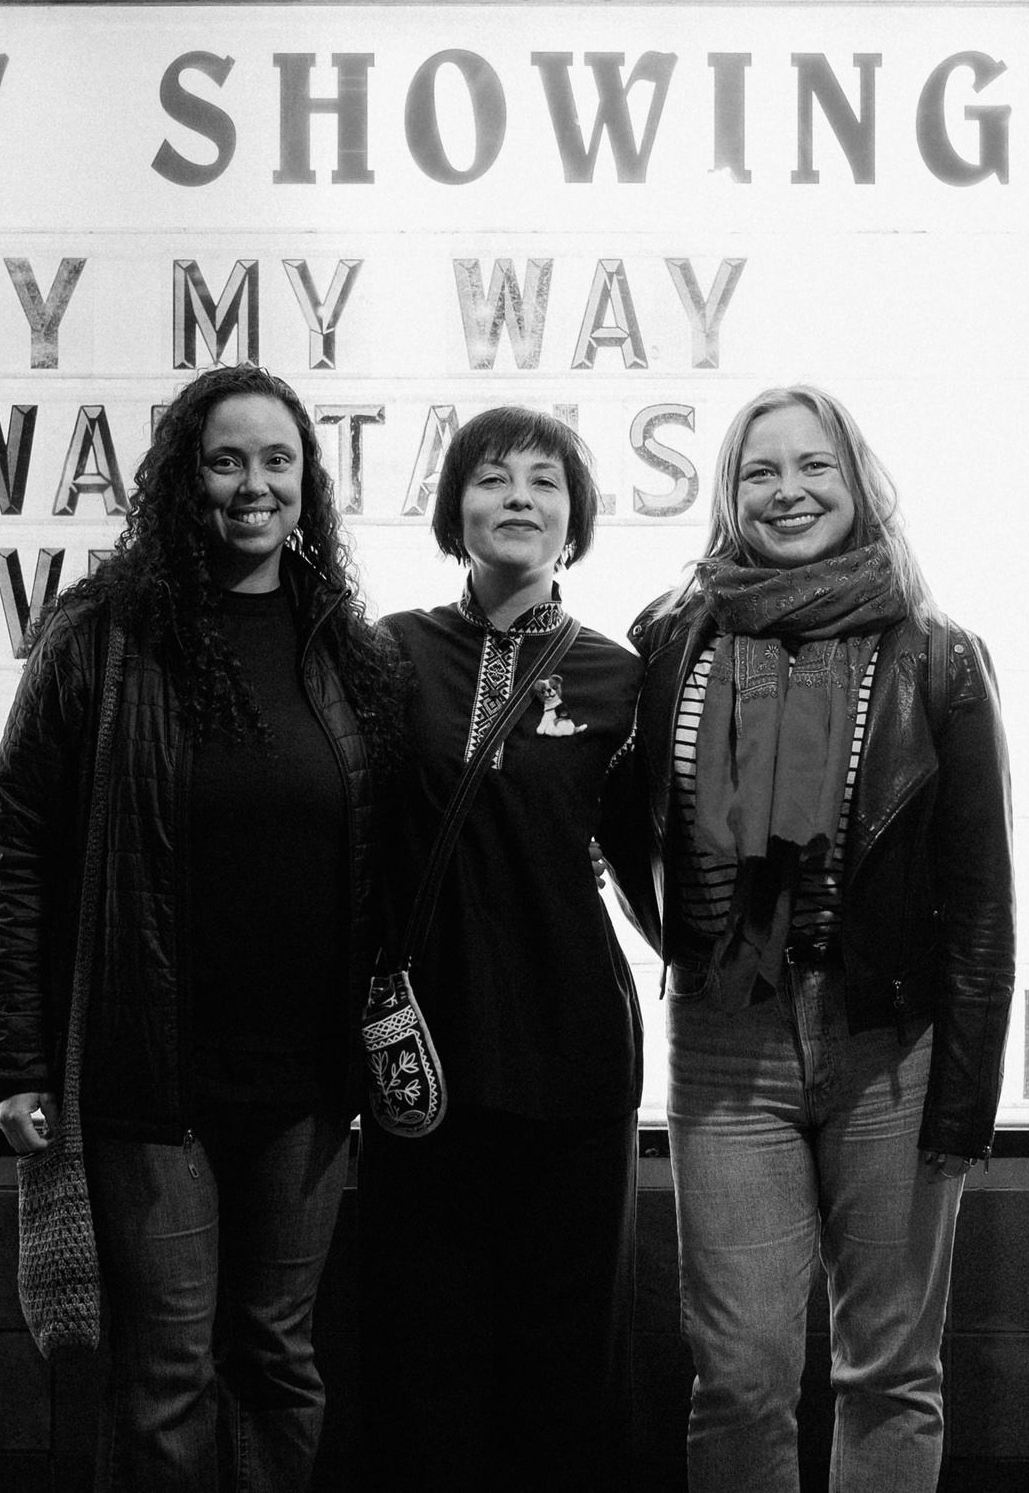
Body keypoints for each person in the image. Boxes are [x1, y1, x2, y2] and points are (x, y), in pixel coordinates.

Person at [0, 364, 408, 1492]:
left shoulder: (345, 649)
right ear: (183, 480)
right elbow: (18, 849)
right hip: (148, 1076)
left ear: (308, 483)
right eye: (226, 460)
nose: (254, 485)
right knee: (165, 1375)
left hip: (306, 1083)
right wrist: (14, 1056)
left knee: (278, 1359)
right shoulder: (103, 638)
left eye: (278, 460)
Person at [628, 384, 1014, 1492]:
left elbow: (981, 899)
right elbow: (627, 822)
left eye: (813, 468)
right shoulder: (671, 641)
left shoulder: (938, 657)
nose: (787, 491)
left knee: (889, 1370)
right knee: (739, 1374)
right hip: (726, 1042)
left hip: (890, 1047)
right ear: (727, 494)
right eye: (759, 471)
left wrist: (963, 1098)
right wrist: (688, 937)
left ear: (857, 484)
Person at [359, 406, 660, 1493]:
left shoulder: (618, 677)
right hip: (423, 1054)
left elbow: (648, 855)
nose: (518, 498)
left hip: (572, 1045)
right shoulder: (387, 654)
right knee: (424, 1350)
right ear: (455, 509)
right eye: (491, 479)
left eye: (544, 481)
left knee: (566, 1350)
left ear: (574, 519)